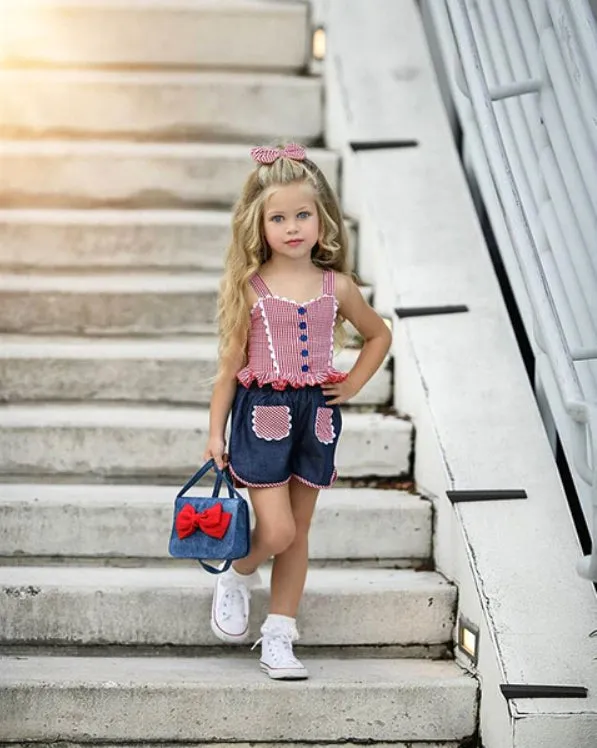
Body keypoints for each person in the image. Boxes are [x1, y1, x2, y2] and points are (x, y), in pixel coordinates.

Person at [203, 142, 392, 680]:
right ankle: (237, 573)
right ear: (258, 226)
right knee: (279, 530)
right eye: (278, 217)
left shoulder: (339, 287)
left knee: (300, 531)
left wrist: (352, 382)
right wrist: (215, 432)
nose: (292, 227)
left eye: (302, 215)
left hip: (317, 417)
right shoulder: (252, 287)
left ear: (322, 219)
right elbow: (227, 368)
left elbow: (378, 334)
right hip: (262, 414)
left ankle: (279, 637)